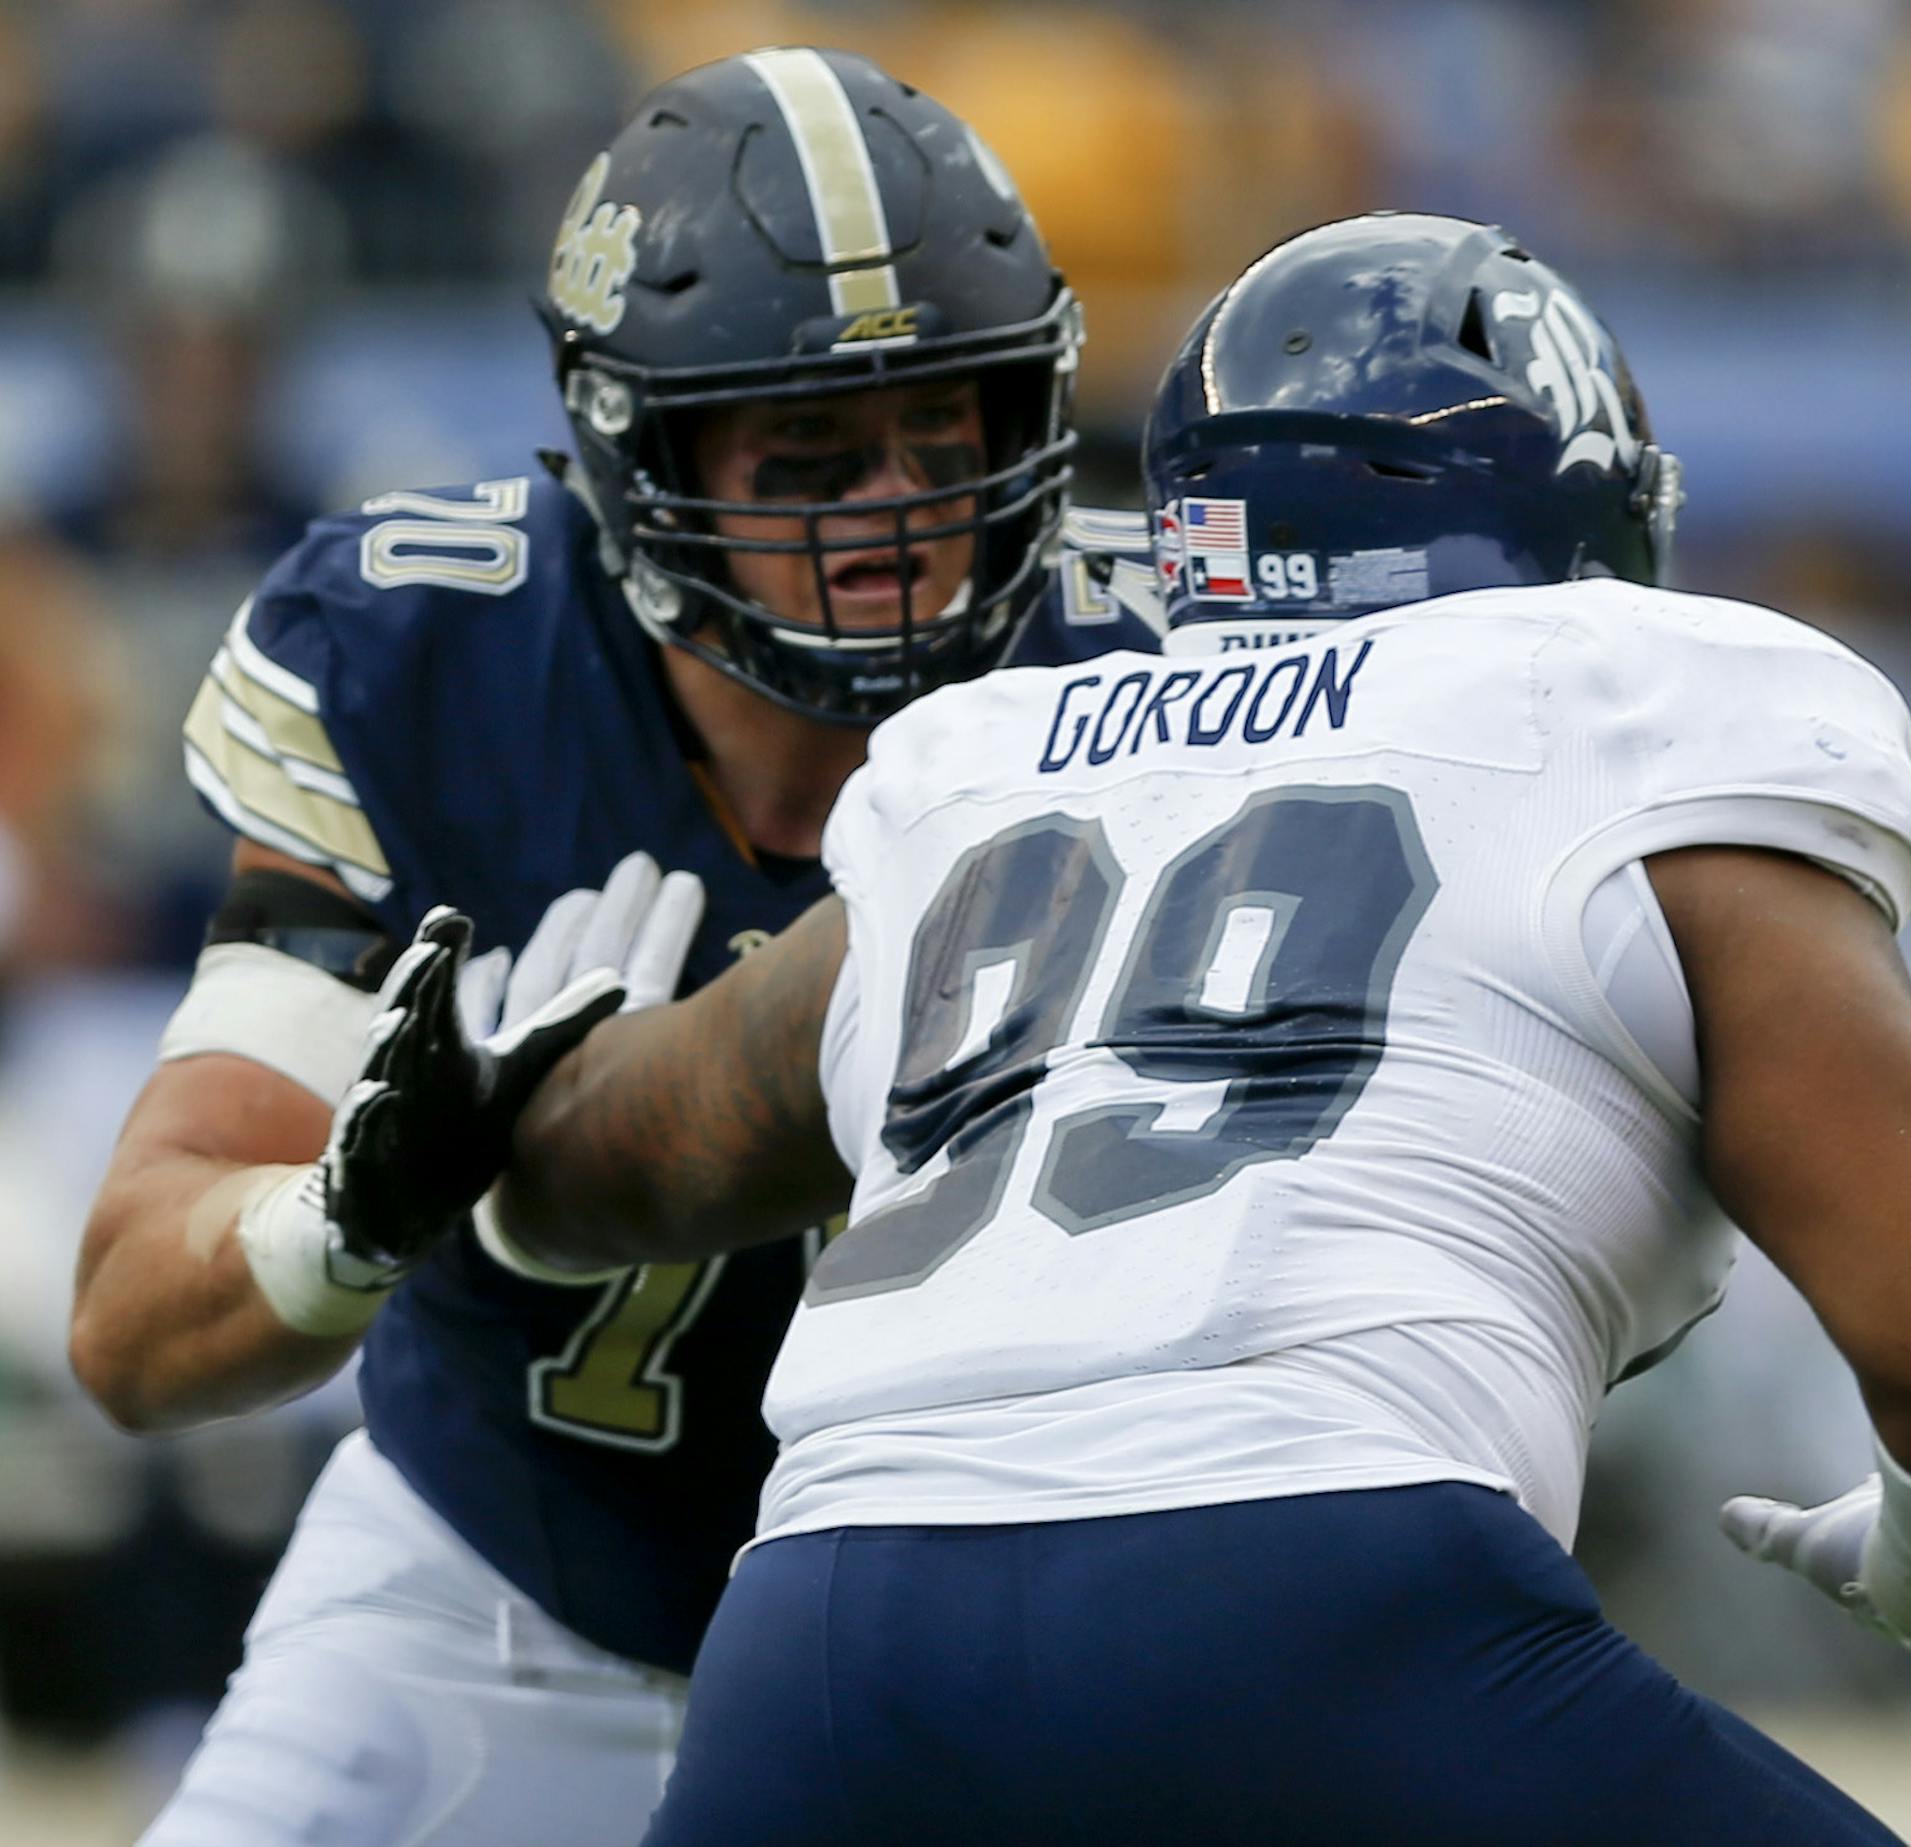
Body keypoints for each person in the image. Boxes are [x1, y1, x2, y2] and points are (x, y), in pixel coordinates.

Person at [327, 214, 1911, 1844]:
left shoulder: (983, 771)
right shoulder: (1621, 713)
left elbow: (636, 1153)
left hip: (820, 1658)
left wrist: (486, 1124)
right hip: (1319, 1594)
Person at [68, 49, 1159, 1845]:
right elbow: (130, 1326)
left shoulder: (1163, 678)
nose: (892, 510)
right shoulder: (433, 660)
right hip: (501, 1596)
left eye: (940, 424)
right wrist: (347, 1212)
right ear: (638, 454)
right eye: (807, 450)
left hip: (1021, 1634)